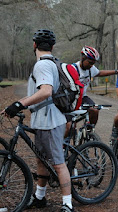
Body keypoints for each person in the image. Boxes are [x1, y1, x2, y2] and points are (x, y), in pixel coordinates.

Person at [1, 29, 74, 211]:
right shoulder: (50, 63)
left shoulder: (42, 65)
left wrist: (19, 104)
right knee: (41, 160)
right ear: (52, 46)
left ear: (34, 45)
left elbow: (46, 91)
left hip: (50, 121)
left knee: (58, 163)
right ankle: (40, 197)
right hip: (43, 120)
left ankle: (67, 205)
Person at [64, 46, 118, 137]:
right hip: (71, 99)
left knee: (95, 110)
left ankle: (89, 132)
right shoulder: (73, 69)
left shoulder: (91, 69)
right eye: (90, 62)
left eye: (93, 63)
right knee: (70, 125)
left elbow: (99, 73)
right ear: (83, 58)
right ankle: (64, 145)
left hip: (82, 97)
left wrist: (116, 71)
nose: (91, 65)